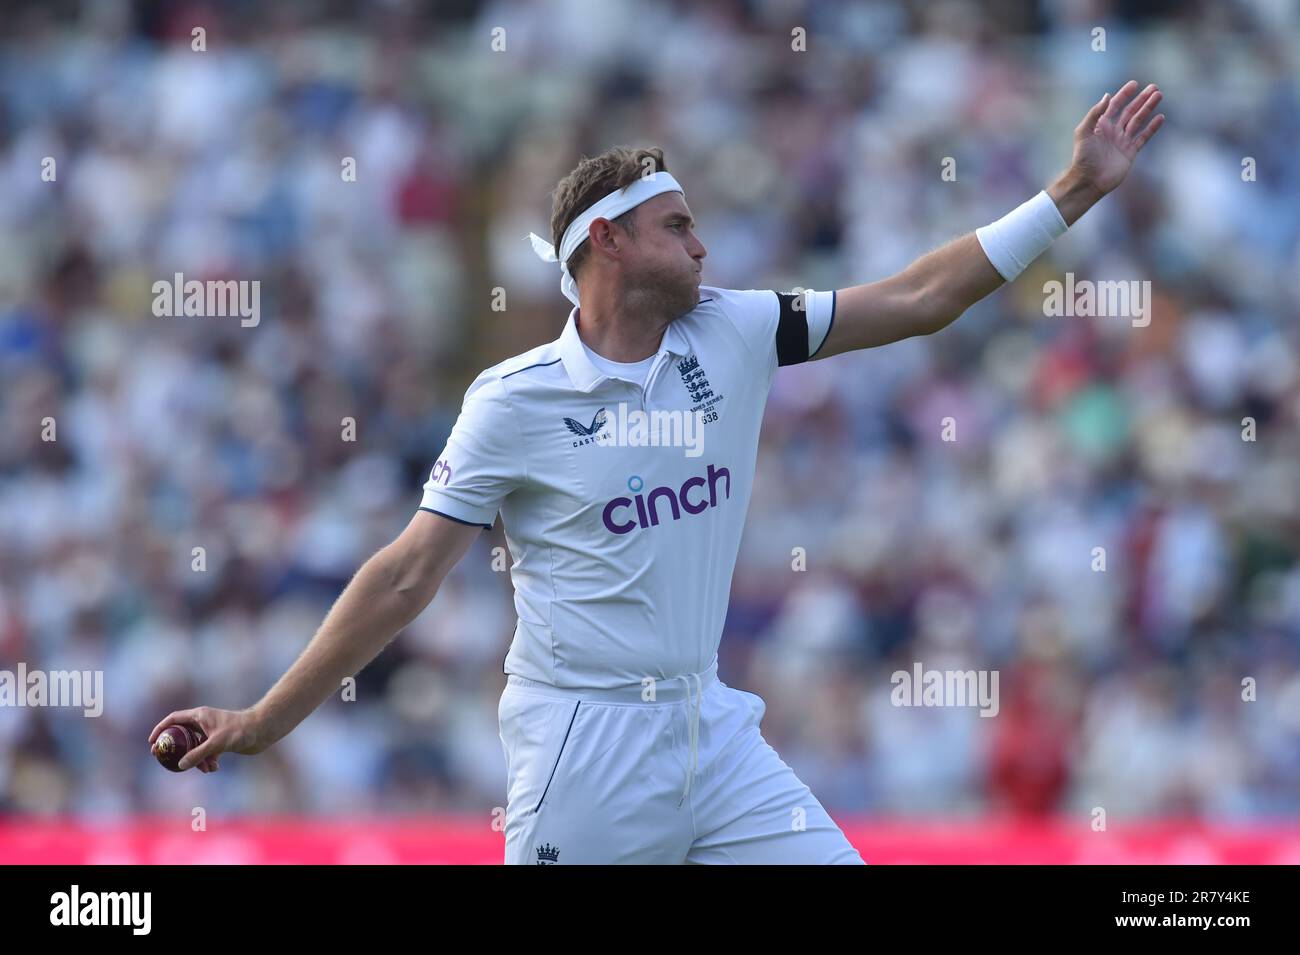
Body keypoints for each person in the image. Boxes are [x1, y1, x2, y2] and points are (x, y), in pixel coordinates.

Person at [150, 80, 1164, 864]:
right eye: (677, 226)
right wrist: (261, 720)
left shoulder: (732, 327)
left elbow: (920, 297)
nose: (702, 243)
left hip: (707, 726)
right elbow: (408, 574)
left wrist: (1071, 190)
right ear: (609, 242)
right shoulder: (514, 398)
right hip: (581, 746)